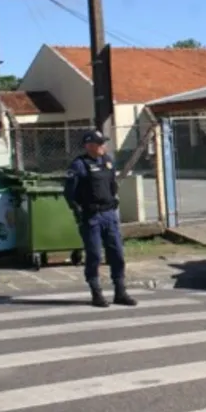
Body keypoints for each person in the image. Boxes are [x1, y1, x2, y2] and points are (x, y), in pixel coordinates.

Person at [64, 130, 137, 308]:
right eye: (99, 143)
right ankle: (96, 292)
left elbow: (112, 185)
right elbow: (69, 193)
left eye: (103, 143)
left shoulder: (108, 161)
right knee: (95, 254)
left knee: (117, 253)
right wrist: (80, 212)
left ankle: (120, 291)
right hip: (92, 217)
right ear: (89, 145)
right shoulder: (79, 165)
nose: (103, 146)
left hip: (109, 215)